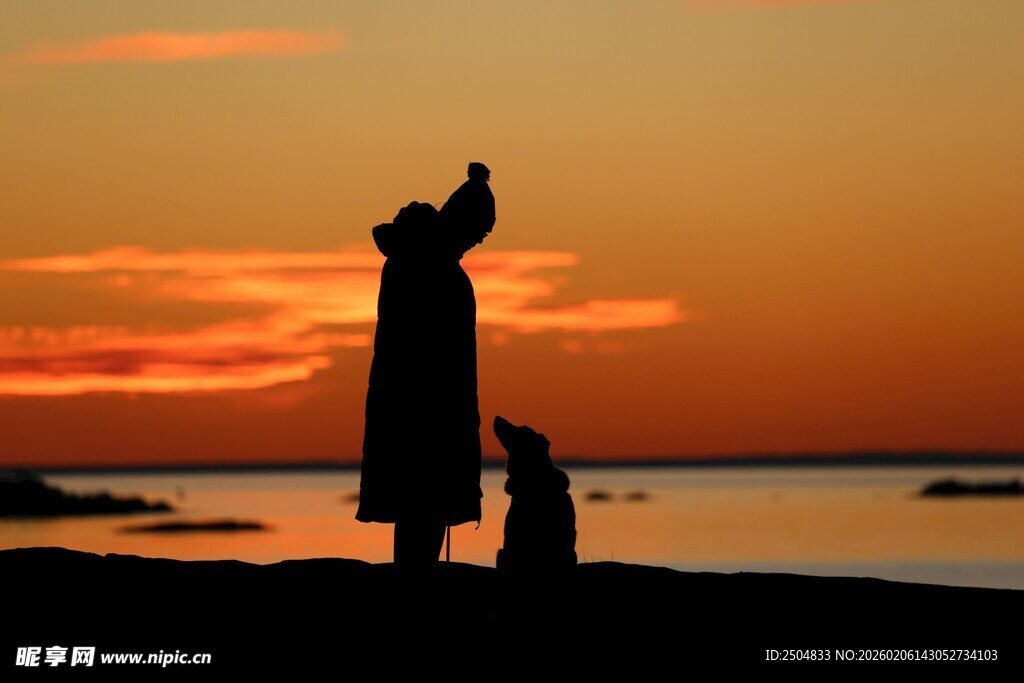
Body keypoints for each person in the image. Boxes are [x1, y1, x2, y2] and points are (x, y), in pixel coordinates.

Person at [356, 163, 496, 574]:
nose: (478, 240)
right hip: (422, 414)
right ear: (459, 217)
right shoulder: (423, 265)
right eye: (478, 229)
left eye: (483, 234)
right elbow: (424, 351)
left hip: (424, 410)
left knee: (421, 513)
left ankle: (416, 589)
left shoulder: (420, 261)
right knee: (421, 508)